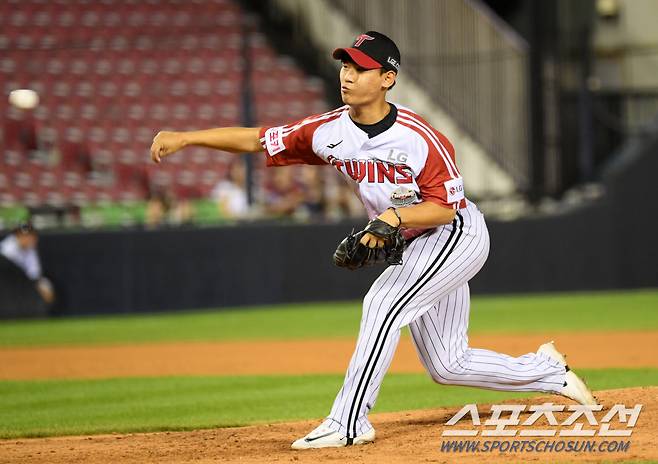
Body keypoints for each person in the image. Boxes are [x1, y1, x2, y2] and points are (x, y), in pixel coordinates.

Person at [150, 31, 597, 450]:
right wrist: (188, 138)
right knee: (448, 365)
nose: (347, 74)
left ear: (387, 79)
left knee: (381, 305)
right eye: (345, 64)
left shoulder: (420, 137)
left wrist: (389, 217)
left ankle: (349, 422)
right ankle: (548, 372)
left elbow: (444, 207)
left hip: (454, 235)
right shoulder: (328, 132)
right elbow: (258, 140)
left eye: (360, 68)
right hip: (416, 242)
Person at [0, 222, 54, 304]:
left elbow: (34, 275)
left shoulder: (31, 251)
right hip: (6, 284)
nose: (27, 238)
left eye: (29, 235)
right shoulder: (7, 249)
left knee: (45, 286)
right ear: (17, 236)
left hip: (21, 285)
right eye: (24, 235)